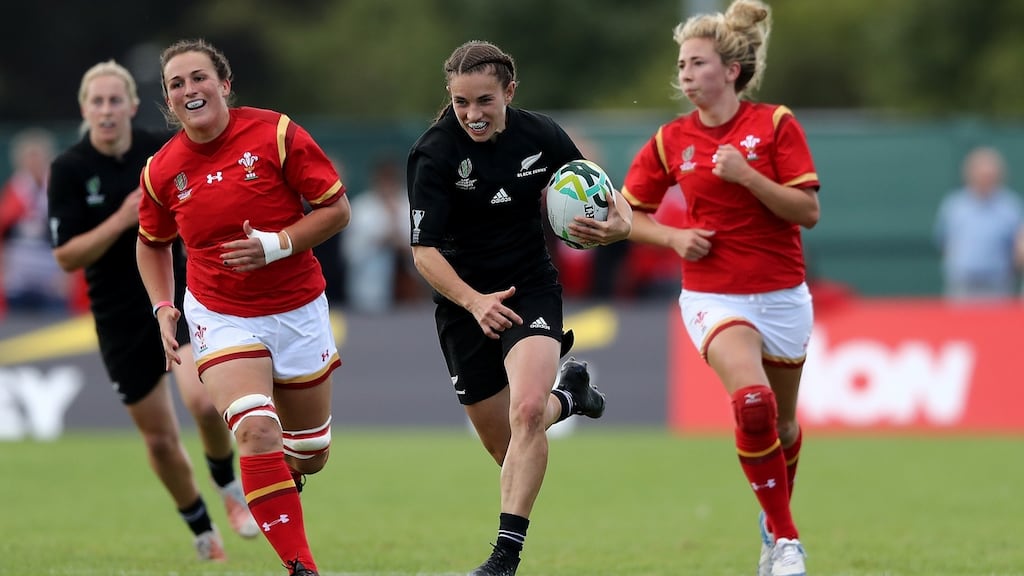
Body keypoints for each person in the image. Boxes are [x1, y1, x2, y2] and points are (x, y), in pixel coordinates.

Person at [406, 40, 632, 576]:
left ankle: (504, 559)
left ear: (509, 91)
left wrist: (620, 222)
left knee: (527, 413)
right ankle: (570, 398)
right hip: (463, 304)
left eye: (485, 100)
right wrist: (473, 301)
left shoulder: (540, 134)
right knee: (509, 446)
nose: (473, 115)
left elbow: (601, 189)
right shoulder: (433, 153)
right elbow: (423, 252)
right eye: (462, 103)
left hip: (529, 287)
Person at [135, 39, 351, 576]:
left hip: (298, 308)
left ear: (224, 84)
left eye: (198, 78)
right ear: (168, 100)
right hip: (220, 314)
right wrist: (163, 305)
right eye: (176, 84)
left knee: (311, 454)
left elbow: (336, 210)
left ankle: (272, 479)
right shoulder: (161, 171)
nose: (189, 90)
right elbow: (151, 242)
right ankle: (302, 568)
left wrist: (274, 244)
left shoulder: (276, 133)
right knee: (255, 429)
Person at [619, 2, 818, 575]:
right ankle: (784, 540)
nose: (684, 73)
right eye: (681, 64)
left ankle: (772, 523)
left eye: (697, 62)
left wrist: (748, 176)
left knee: (782, 426)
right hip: (714, 295)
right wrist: (674, 239)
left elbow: (807, 210)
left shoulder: (775, 123)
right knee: (751, 405)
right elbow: (631, 214)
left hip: (782, 293)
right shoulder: (670, 140)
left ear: (730, 70)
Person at [47, 59, 259, 562]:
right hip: (118, 314)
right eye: (96, 102)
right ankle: (202, 529)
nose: (106, 110)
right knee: (161, 440)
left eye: (114, 100)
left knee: (205, 404)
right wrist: (123, 218)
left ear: (132, 106)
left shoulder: (157, 151)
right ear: (84, 109)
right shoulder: (70, 170)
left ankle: (228, 485)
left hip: (173, 294)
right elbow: (66, 256)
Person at [934, 146, 1023, 300]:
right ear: (970, 174)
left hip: (997, 284)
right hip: (962, 283)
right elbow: (943, 241)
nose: (985, 179)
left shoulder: (1011, 207)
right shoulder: (955, 205)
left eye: (990, 175)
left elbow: (1018, 246)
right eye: (981, 174)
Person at [1, 127, 70, 313]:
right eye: (28, 156)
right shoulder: (13, 192)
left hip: (52, 283)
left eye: (37, 156)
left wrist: (66, 278)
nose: (33, 162)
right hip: (18, 283)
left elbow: (71, 235)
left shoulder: (59, 190)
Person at [343, 155, 422, 313]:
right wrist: (380, 240)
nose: (388, 184)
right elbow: (349, 253)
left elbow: (425, 248)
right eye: (384, 178)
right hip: (369, 293)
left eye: (392, 178)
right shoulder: (361, 208)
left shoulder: (410, 205)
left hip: (410, 293)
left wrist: (402, 243)